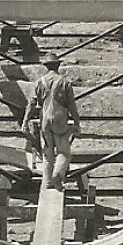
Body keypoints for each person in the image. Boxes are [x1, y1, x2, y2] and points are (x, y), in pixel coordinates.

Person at [22, 53, 81, 191]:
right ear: (58, 66)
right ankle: (57, 175)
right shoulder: (65, 83)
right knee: (64, 152)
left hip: (45, 120)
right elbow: (72, 105)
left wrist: (25, 121)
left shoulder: (39, 82)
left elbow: (31, 104)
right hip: (60, 120)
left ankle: (47, 182)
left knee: (47, 154)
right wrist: (77, 123)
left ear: (46, 67)